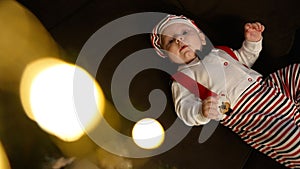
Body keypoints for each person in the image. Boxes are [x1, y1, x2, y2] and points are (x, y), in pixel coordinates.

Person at [151, 14, 300, 168]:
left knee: (296, 72)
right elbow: (184, 108)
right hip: (250, 114)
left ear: (202, 38)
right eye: (170, 41)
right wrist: (201, 111)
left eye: (184, 33)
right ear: (167, 56)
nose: (178, 40)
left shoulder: (220, 51)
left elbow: (245, 59)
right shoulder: (182, 79)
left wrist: (252, 42)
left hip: (268, 87)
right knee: (289, 140)